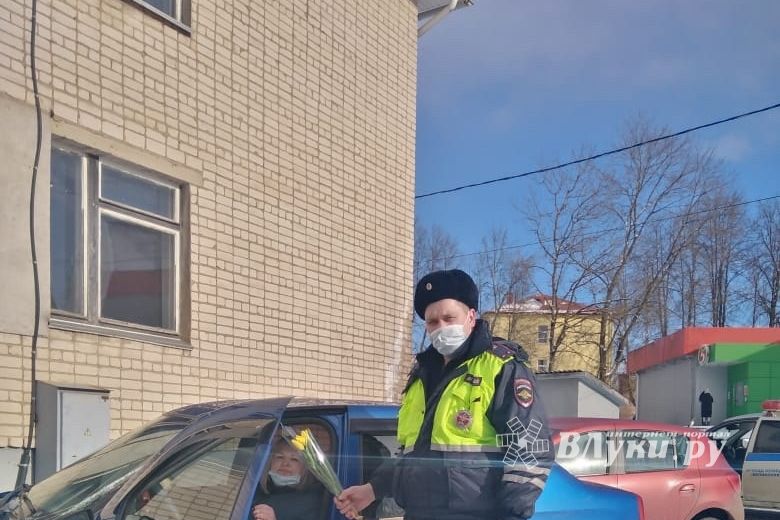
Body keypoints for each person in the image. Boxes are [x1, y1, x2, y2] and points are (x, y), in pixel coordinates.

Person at [336, 269, 554, 520]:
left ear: (471, 317)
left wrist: (513, 514)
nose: (441, 328)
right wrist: (372, 489)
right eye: (432, 322)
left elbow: (530, 448)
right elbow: (412, 455)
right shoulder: (421, 377)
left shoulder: (501, 368)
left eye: (449, 318)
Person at [250, 437, 324, 520]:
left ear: (305, 468)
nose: (285, 463)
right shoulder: (252, 490)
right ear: (270, 461)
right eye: (280, 457)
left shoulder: (313, 501)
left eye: (294, 459)